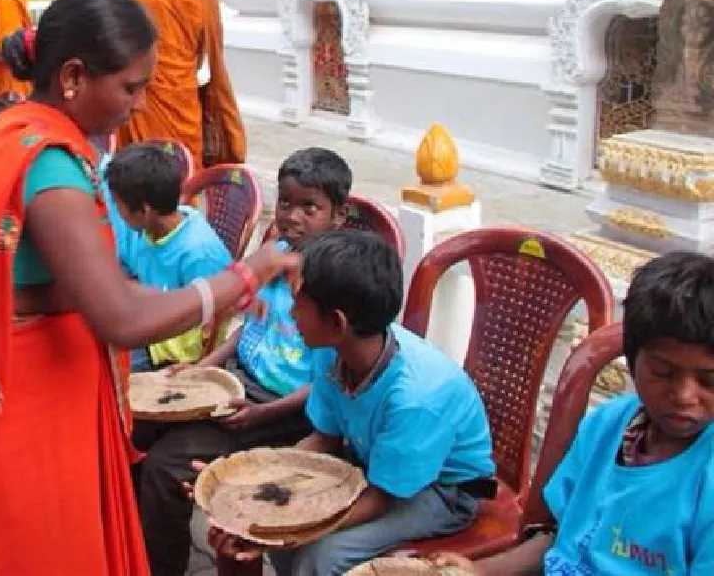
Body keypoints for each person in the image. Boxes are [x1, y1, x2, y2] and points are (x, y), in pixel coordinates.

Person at [0, 0, 298, 575]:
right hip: (26, 400)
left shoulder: (10, 138)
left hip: (8, 375)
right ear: (74, 76)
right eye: (131, 87)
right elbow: (117, 317)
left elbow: (51, 287)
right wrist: (246, 276)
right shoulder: (50, 164)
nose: (139, 104)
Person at [206, 230, 494, 575]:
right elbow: (323, 439)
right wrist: (249, 485)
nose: (292, 312)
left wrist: (290, 531)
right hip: (373, 464)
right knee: (261, 524)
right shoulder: (334, 351)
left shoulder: (416, 398)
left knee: (320, 556)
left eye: (299, 302)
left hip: (439, 490)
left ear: (337, 321)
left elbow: (383, 496)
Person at [135, 146, 353, 576]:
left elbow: (329, 382)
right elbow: (247, 332)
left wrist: (260, 414)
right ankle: (135, 548)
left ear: (338, 216)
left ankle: (162, 567)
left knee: (164, 469)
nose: (293, 217)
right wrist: (206, 367)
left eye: (311, 207)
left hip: (282, 412)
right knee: (135, 421)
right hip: (235, 384)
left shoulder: (332, 282)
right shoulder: (276, 257)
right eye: (287, 203)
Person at [430, 251, 714, 576]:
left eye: (708, 380)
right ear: (634, 362)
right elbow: (560, 540)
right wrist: (479, 571)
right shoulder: (607, 426)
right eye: (662, 372)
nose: (683, 396)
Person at [113, 0, 246, 165]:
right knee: (184, 179)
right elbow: (205, 57)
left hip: (142, 106)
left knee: (140, 184)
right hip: (184, 106)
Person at [105, 143, 233, 372]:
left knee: (106, 363)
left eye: (118, 205)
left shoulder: (198, 253)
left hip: (171, 348)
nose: (115, 212)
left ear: (144, 211)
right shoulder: (149, 229)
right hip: (149, 318)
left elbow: (209, 325)